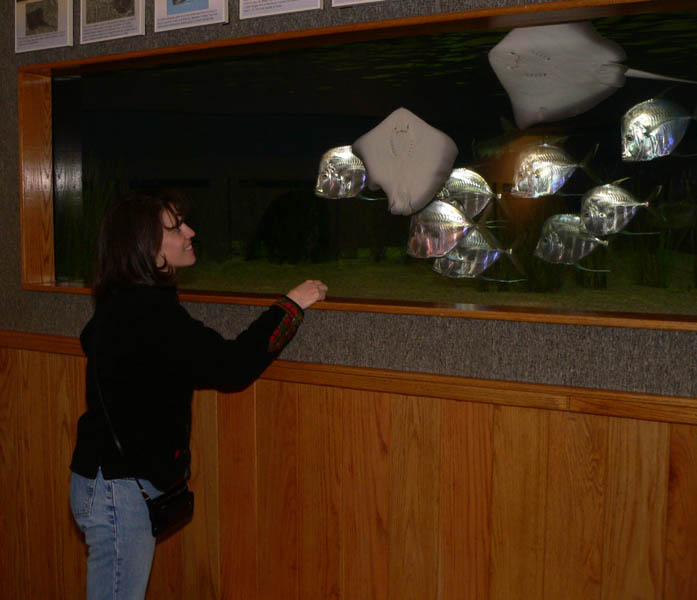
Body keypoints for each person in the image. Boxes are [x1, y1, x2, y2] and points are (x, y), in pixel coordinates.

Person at [69, 189, 327, 600]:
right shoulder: (151, 315)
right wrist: (292, 305)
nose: (190, 231)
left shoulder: (123, 302)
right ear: (149, 250)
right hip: (118, 491)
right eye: (175, 228)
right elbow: (232, 366)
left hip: (104, 482)